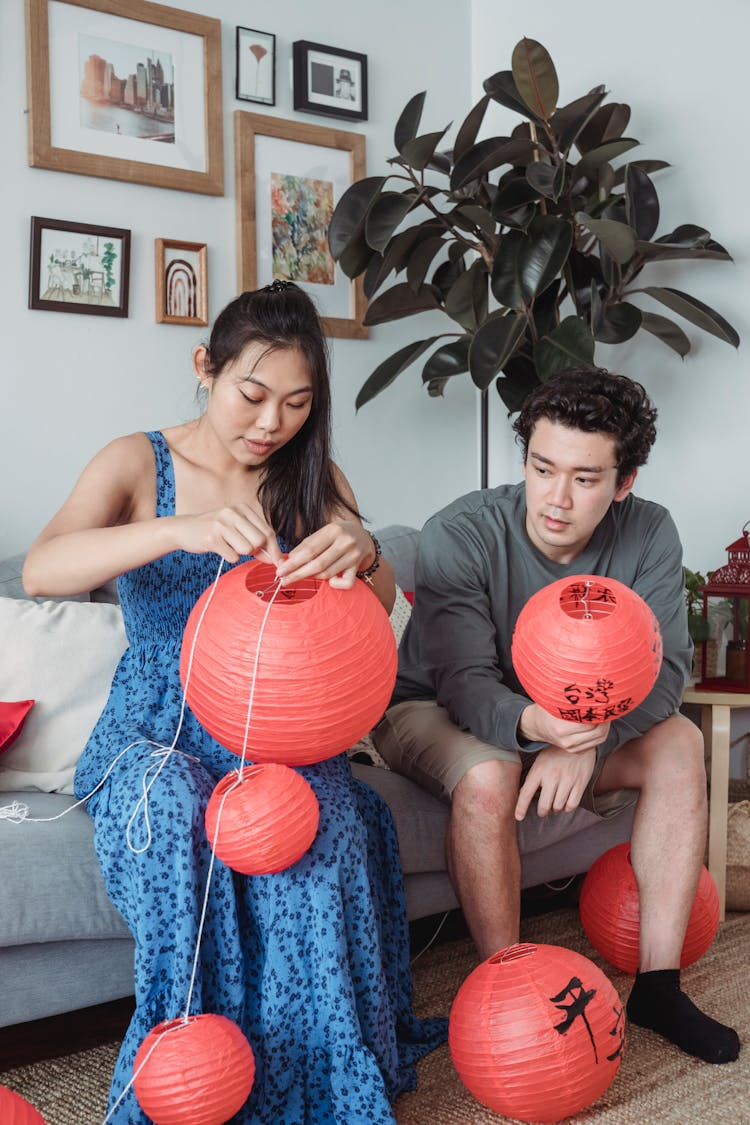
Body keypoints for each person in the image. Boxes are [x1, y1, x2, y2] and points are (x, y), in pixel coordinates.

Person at [23, 281, 446, 1123]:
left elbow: (380, 604)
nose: (270, 422)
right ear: (204, 368)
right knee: (176, 810)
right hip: (159, 726)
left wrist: (363, 553)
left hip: (276, 731)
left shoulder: (308, 474)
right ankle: (191, 1072)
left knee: (324, 825)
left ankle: (309, 1086)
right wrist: (177, 530)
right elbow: (43, 568)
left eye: (297, 403)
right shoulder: (137, 460)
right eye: (252, 394)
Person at [372, 366, 740, 1066]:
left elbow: (666, 674)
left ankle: (659, 985)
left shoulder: (650, 531)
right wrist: (545, 730)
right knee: (489, 777)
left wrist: (586, 738)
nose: (557, 498)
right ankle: (507, 986)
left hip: (574, 724)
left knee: (680, 741)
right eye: (543, 468)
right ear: (525, 459)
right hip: (432, 705)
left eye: (585, 477)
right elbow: (466, 683)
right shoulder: (460, 530)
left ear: (624, 481)